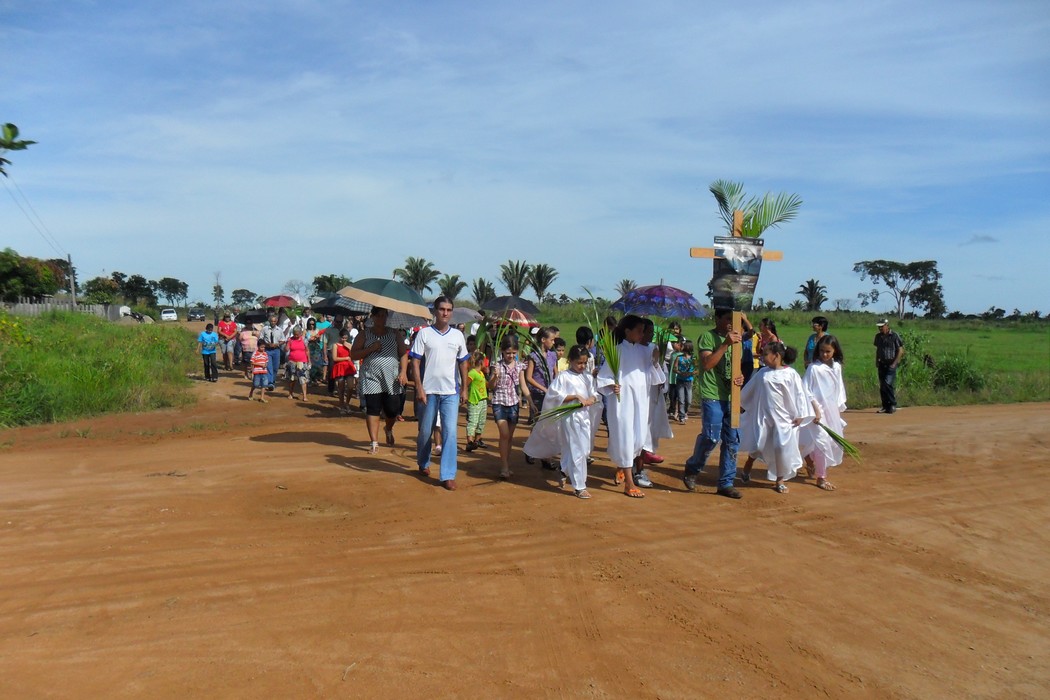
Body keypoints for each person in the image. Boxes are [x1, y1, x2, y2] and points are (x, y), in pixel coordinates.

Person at [523, 345, 602, 498]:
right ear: (571, 360)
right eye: (579, 363)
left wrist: (591, 398)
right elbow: (554, 396)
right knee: (576, 449)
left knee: (584, 450)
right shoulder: (563, 377)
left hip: (584, 417)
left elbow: (594, 393)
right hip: (570, 417)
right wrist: (575, 397)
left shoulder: (587, 377)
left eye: (585, 363)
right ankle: (579, 486)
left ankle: (564, 468)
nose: (582, 366)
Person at [681, 308, 744, 499]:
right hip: (712, 394)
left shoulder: (738, 341)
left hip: (731, 396)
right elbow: (707, 364)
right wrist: (725, 344)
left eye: (735, 320)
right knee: (711, 437)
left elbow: (740, 367)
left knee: (732, 440)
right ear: (717, 318)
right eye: (727, 319)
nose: (731, 323)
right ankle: (693, 467)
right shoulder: (707, 337)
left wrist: (741, 378)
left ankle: (726, 482)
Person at [739, 342, 816, 494]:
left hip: (785, 419)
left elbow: (800, 394)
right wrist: (741, 403)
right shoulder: (762, 373)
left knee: (781, 447)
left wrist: (801, 414)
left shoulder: (791, 374)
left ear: (777, 356)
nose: (762, 357)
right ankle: (749, 463)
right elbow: (749, 390)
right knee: (758, 444)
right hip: (763, 416)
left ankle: (779, 479)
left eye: (765, 354)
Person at [410, 297, 469, 490]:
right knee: (425, 431)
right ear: (435, 311)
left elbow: (463, 361)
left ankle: (447, 474)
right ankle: (423, 461)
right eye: (442, 309)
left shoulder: (458, 336)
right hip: (429, 390)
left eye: (449, 310)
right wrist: (419, 387)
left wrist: (464, 388)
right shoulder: (424, 334)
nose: (445, 313)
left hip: (450, 391)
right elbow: (415, 362)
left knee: (450, 432)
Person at [596, 314, 653, 498]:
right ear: (627, 331)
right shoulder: (616, 350)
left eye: (643, 331)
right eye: (638, 331)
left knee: (638, 438)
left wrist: (656, 360)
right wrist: (612, 385)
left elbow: (653, 375)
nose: (642, 334)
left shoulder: (645, 351)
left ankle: (622, 465)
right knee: (626, 437)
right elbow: (603, 378)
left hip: (640, 402)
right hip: (622, 402)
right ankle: (629, 483)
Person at [352, 307, 409, 454]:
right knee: (373, 408)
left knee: (392, 409)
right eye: (379, 316)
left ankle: (388, 428)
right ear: (373, 317)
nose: (381, 319)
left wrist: (403, 372)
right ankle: (374, 442)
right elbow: (354, 354)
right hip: (371, 376)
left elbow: (403, 353)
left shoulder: (394, 333)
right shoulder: (364, 334)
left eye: (384, 316)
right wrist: (370, 348)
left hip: (391, 378)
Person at [800, 335, 848, 491]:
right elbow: (806, 390)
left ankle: (811, 461)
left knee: (830, 441)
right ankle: (821, 477)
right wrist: (815, 409)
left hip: (831, 410)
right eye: (821, 351)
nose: (824, 354)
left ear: (835, 351)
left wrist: (838, 408)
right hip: (817, 411)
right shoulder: (814, 369)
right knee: (822, 442)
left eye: (828, 351)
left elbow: (838, 388)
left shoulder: (837, 367)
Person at [487, 336, 534, 480]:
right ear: (502, 351)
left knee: (510, 437)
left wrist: (530, 402)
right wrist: (494, 376)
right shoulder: (497, 366)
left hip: (513, 403)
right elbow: (490, 386)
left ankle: (506, 463)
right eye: (508, 353)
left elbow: (523, 385)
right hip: (499, 402)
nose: (511, 356)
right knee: (505, 434)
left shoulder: (520, 366)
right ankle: (504, 466)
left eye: (513, 353)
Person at [525, 327, 558, 424]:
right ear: (543, 340)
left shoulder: (552, 355)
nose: (554, 342)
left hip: (550, 393)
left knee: (548, 423)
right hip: (537, 394)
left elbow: (556, 372)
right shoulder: (533, 356)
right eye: (552, 340)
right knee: (536, 422)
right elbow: (529, 377)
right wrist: (543, 389)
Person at [874, 319, 904, 414]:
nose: (880, 328)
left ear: (887, 325)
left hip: (891, 363)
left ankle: (892, 404)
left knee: (887, 383)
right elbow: (878, 349)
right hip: (882, 363)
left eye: (882, 326)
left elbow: (900, 350)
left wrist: (895, 363)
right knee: (882, 385)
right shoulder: (878, 337)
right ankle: (885, 406)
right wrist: (877, 360)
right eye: (879, 327)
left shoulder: (894, 336)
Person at [464, 351, 489, 452]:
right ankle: (470, 442)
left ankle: (477, 440)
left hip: (483, 400)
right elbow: (466, 384)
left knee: (481, 422)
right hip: (474, 401)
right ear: (481, 362)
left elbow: (487, 385)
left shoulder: (481, 373)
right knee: (473, 422)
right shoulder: (472, 373)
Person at [329, 328, 357, 414]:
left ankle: (347, 404)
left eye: (346, 338)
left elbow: (354, 356)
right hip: (340, 367)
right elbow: (334, 358)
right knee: (341, 388)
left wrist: (350, 348)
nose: (344, 339)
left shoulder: (349, 345)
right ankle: (341, 406)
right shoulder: (335, 345)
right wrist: (345, 358)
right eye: (343, 338)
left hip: (348, 367)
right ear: (339, 337)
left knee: (351, 386)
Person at [258, 315, 286, 391]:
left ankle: (272, 381)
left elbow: (283, 340)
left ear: (276, 321)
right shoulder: (265, 329)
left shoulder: (279, 330)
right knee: (269, 366)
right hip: (267, 350)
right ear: (269, 321)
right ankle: (270, 383)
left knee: (275, 367)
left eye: (274, 321)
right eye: (271, 321)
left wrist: (277, 344)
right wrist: (267, 344)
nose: (273, 322)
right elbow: (260, 339)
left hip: (276, 350)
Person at [285, 326, 310, 401]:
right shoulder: (290, 340)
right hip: (292, 361)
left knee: (303, 378)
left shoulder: (304, 340)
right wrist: (287, 343)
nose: (296, 336)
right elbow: (286, 349)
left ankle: (304, 396)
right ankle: (290, 393)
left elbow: (307, 351)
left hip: (302, 362)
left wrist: (309, 361)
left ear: (300, 333)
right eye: (295, 334)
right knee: (292, 379)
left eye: (297, 334)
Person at [672, 340, 695, 423]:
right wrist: (680, 373)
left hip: (689, 381)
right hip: (680, 380)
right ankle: (681, 416)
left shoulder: (693, 358)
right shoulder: (679, 358)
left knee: (688, 400)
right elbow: (674, 369)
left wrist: (691, 373)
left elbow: (698, 369)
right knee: (681, 399)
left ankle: (685, 412)